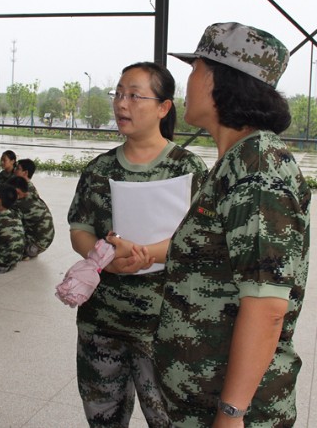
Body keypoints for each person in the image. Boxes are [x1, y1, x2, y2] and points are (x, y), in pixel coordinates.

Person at [154, 22, 311, 427]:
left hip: (234, 412)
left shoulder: (258, 169)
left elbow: (267, 306)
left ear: (218, 79)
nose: (186, 82)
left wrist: (231, 413)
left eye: (194, 69)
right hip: (197, 401)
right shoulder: (238, 161)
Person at [67, 61, 207, 427]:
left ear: (164, 107)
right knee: (103, 418)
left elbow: (202, 240)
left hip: (164, 326)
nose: (121, 104)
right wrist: (106, 257)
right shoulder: (99, 169)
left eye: (134, 95)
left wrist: (147, 255)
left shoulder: (188, 169)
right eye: (118, 94)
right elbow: (79, 229)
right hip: (102, 323)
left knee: (166, 420)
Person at [8, 168, 55, 258]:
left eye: (16, 193)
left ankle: (24, 254)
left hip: (35, 246)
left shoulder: (20, 205)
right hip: (43, 241)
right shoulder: (31, 193)